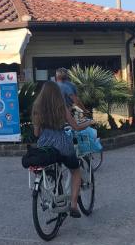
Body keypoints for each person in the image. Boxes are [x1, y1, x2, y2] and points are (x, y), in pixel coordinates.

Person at [32, 81, 93, 218]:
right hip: (61, 143)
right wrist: (89, 122)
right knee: (75, 171)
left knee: (53, 163)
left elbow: (36, 133)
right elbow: (76, 127)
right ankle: (73, 205)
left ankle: (56, 191)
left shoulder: (37, 107)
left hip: (45, 145)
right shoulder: (62, 107)